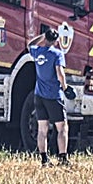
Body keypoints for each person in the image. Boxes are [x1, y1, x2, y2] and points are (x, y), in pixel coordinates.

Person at [27, 24, 74, 167]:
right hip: (53, 95)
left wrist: (42, 36)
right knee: (62, 127)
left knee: (42, 129)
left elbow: (30, 44)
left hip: (39, 95)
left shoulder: (37, 51)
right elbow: (60, 74)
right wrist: (65, 88)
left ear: (46, 39)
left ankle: (44, 159)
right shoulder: (57, 54)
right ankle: (63, 158)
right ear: (56, 41)